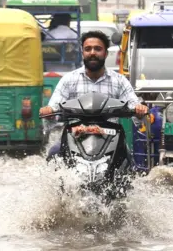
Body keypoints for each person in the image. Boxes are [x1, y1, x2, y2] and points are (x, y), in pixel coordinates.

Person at [39, 31, 148, 159]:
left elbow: (133, 104)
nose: (92, 53)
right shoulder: (69, 79)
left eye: (98, 49)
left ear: (106, 53)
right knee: (53, 153)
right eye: (88, 49)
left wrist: (139, 109)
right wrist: (49, 111)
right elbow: (55, 106)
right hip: (75, 137)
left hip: (111, 138)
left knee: (130, 161)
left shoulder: (119, 81)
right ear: (82, 53)